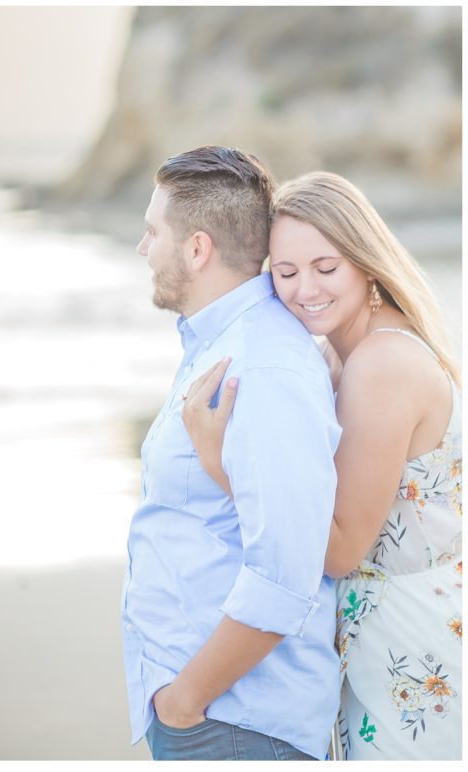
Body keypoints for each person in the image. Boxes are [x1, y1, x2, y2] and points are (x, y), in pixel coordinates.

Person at [182, 171, 462, 760]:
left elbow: (337, 550)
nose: (305, 288)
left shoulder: (382, 363)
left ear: (365, 263)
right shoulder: (334, 352)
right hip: (379, 628)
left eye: (326, 268)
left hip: (415, 639)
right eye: (285, 273)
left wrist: (220, 464)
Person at [120, 146, 342, 761]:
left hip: (236, 720)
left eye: (152, 232)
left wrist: (186, 702)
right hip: (214, 713)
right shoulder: (220, 345)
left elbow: (285, 571)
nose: (143, 249)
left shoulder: (263, 365)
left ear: (197, 249)